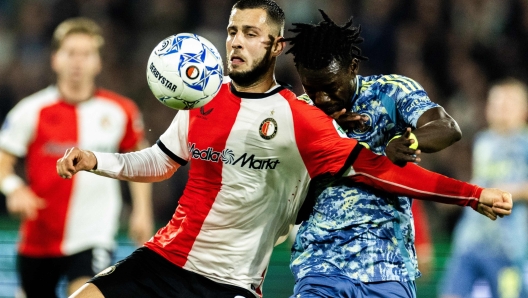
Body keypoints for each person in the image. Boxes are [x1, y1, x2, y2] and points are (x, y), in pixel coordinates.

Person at [56, 1, 511, 298]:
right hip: (168, 257)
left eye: (251, 33)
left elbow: (381, 171)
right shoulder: (202, 99)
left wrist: (473, 194)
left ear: (275, 47)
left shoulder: (302, 119)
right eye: (233, 30)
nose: (236, 41)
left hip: (234, 281)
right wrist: (97, 161)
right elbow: (160, 161)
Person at [284, 10, 461, 297]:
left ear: (353, 67)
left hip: (388, 268)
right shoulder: (298, 113)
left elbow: (447, 127)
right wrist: (325, 132)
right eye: (311, 88)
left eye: (329, 87)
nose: (321, 99)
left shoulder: (391, 92)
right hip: (320, 268)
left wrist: (410, 141)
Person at [0, 17, 154, 298]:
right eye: (71, 53)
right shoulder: (30, 111)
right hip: (39, 236)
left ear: (98, 62)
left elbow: (141, 160)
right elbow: (2, 161)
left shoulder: (121, 111)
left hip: (94, 234)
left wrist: (142, 210)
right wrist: (14, 189)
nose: (78, 62)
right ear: (55, 59)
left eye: (86, 54)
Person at [440, 78, 528, 298]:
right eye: (495, 104)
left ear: (523, 109)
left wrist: (507, 191)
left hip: (507, 247)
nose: (500, 110)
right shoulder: (483, 141)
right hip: (470, 239)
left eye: (507, 104)